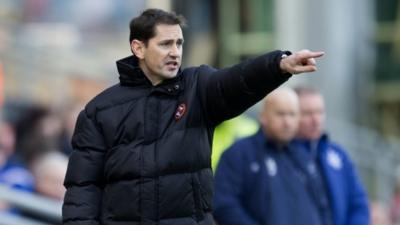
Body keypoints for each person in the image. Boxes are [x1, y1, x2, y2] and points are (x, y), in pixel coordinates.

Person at [62, 8, 324, 225]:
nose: (175, 52)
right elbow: (82, 190)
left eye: (179, 43)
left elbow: (236, 80)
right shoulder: (99, 110)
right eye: (165, 44)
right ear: (138, 48)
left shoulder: (197, 87)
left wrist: (278, 65)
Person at [213, 87, 328, 225]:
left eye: (292, 114)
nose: (287, 122)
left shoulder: (304, 157)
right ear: (263, 116)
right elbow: (224, 206)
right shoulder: (238, 154)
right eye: (280, 114)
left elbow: (321, 206)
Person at [294, 86, 370, 225]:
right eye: (307, 113)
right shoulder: (281, 155)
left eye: (319, 112)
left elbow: (358, 204)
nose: (316, 120)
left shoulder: (338, 154)